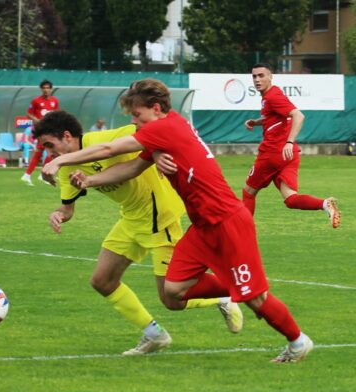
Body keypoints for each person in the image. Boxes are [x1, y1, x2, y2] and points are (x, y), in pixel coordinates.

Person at [43, 78, 313, 363]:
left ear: (155, 108)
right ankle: (238, 288)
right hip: (203, 226)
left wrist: (60, 161)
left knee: (256, 299)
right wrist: (89, 180)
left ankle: (298, 342)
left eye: (137, 115)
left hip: (227, 221)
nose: (134, 122)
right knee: (173, 293)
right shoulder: (166, 127)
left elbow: (110, 150)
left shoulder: (164, 127)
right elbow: (132, 167)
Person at [34, 110, 243, 355]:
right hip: (131, 218)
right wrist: (59, 214)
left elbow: (148, 133)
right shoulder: (66, 167)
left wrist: (158, 153)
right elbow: (68, 209)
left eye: (50, 146)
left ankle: (224, 297)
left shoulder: (102, 140)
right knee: (102, 281)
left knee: (172, 299)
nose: (49, 153)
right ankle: (154, 335)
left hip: (158, 215)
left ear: (67, 136)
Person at [242, 63, 340, 228]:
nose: (257, 79)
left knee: (248, 192)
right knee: (290, 199)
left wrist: (288, 141)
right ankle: (325, 204)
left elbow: (298, 116)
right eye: (254, 76)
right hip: (289, 156)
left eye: (261, 75)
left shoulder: (273, 96)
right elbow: (276, 117)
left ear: (270, 76)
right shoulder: (272, 95)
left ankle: (243, 235)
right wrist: (257, 122)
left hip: (272, 153)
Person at [20, 79, 59, 185]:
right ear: (41, 89)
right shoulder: (36, 101)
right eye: (44, 88)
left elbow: (55, 114)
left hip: (50, 130)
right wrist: (38, 121)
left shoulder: (54, 101)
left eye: (48, 88)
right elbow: (29, 114)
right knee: (51, 151)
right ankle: (41, 174)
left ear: (51, 89)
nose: (46, 90)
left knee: (43, 152)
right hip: (41, 130)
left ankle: (29, 175)